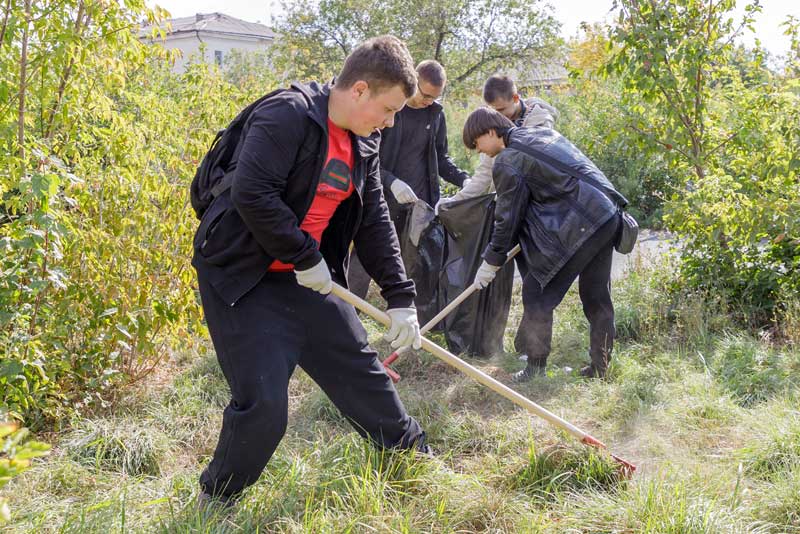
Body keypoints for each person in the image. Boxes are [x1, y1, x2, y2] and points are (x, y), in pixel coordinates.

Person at [191, 35, 428, 506]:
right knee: (265, 408)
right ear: (359, 90)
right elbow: (253, 194)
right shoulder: (287, 115)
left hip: (308, 278)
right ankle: (214, 500)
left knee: (363, 374)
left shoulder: (365, 142)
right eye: (389, 108)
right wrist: (305, 255)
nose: (391, 120)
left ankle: (415, 460)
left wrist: (401, 298)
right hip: (244, 278)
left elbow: (374, 217)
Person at [462, 107, 628, 381]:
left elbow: (507, 219)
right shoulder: (537, 134)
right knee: (596, 295)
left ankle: (535, 369)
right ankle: (602, 367)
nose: (481, 152)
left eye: (478, 144)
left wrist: (490, 262)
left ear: (490, 132)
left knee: (537, 292)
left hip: (584, 222)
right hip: (606, 213)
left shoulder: (508, 160)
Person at [348, 59, 470, 299]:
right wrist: (392, 182)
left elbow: (441, 158)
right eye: (425, 95)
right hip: (380, 200)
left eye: (434, 98)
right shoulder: (390, 110)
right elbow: (365, 157)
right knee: (363, 260)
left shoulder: (435, 115)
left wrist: (464, 179)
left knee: (411, 267)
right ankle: (348, 313)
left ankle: (405, 318)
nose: (428, 101)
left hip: (418, 206)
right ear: (413, 81)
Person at [435, 74, 559, 211]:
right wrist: (455, 201)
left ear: (516, 98)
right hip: (506, 207)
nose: (497, 115)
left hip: (536, 208)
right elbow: (485, 173)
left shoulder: (540, 124)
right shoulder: (494, 125)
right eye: (493, 110)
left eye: (501, 110)